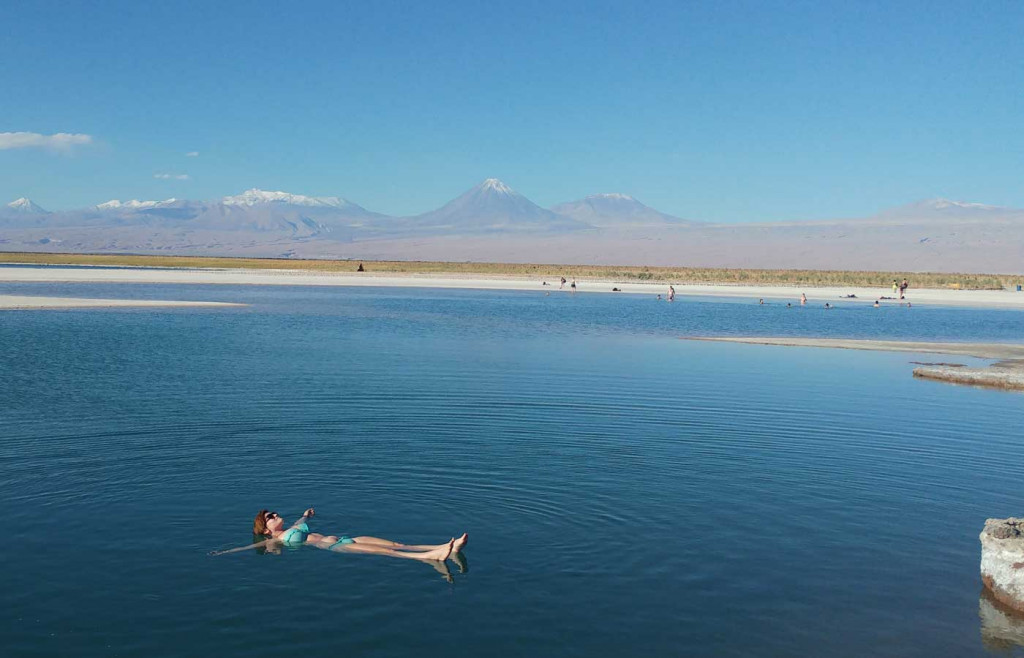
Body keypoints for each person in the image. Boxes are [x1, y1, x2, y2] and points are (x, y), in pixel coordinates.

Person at [210, 508, 467, 562]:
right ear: (266, 529)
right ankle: (431, 557)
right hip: (335, 548)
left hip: (347, 538)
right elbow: (246, 548)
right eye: (270, 516)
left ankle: (446, 546)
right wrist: (224, 552)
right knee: (389, 552)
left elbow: (300, 521)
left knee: (398, 543)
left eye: (274, 512)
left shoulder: (293, 527)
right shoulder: (275, 540)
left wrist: (307, 515)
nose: (275, 514)